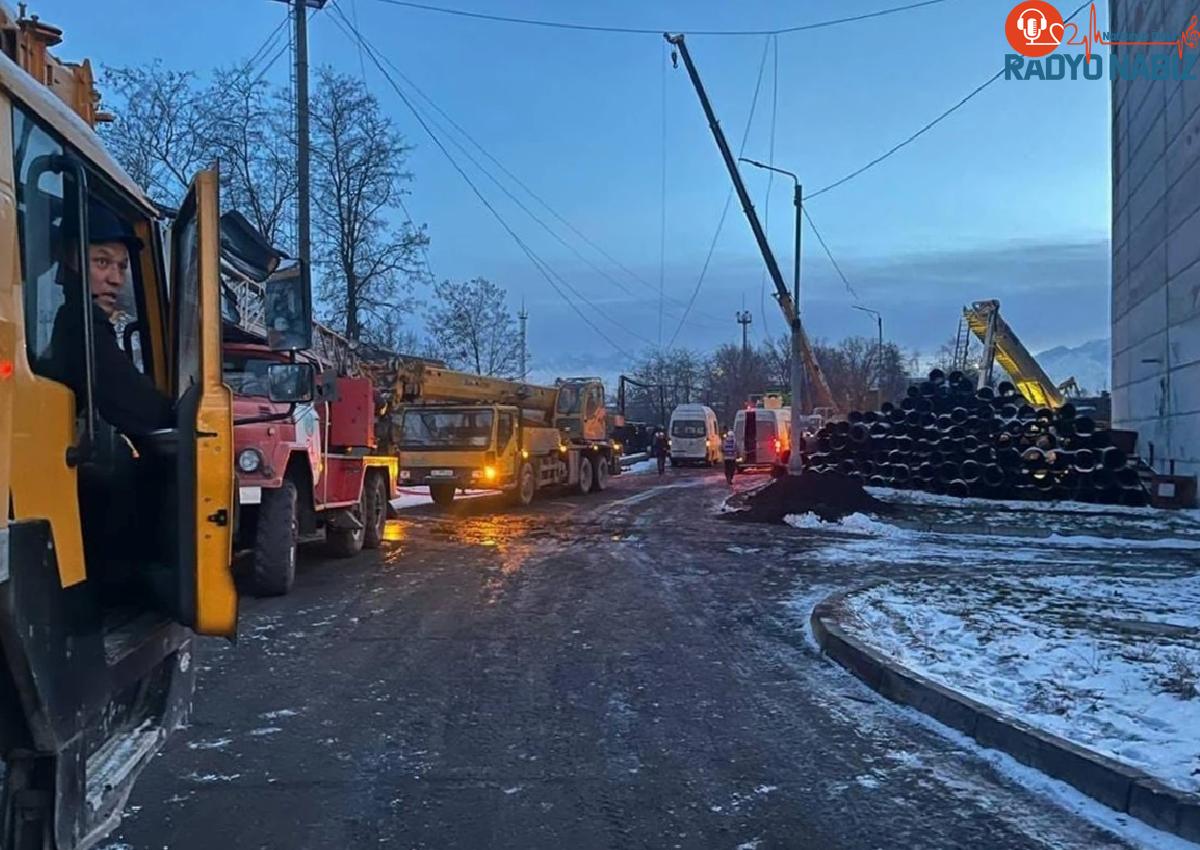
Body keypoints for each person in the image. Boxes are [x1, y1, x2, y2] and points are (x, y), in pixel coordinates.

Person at [47, 200, 174, 437]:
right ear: (69, 257)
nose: (116, 279)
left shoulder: (70, 319)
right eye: (102, 262)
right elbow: (135, 403)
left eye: (122, 267)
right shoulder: (81, 324)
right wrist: (186, 418)